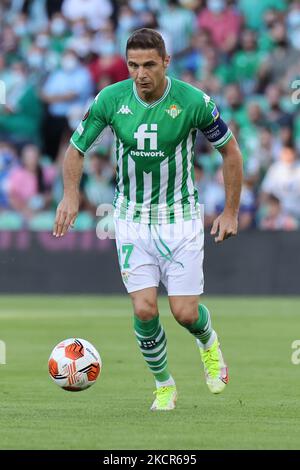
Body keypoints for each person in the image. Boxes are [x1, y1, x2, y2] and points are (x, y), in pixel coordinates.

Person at [53, 28, 243, 411]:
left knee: (185, 312)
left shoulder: (193, 102)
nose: (141, 74)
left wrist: (230, 211)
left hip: (181, 217)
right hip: (131, 219)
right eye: (134, 65)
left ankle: (208, 343)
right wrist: (70, 195)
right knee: (144, 308)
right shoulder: (111, 99)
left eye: (149, 65)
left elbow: (231, 152)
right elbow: (75, 149)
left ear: (166, 63)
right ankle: (164, 385)